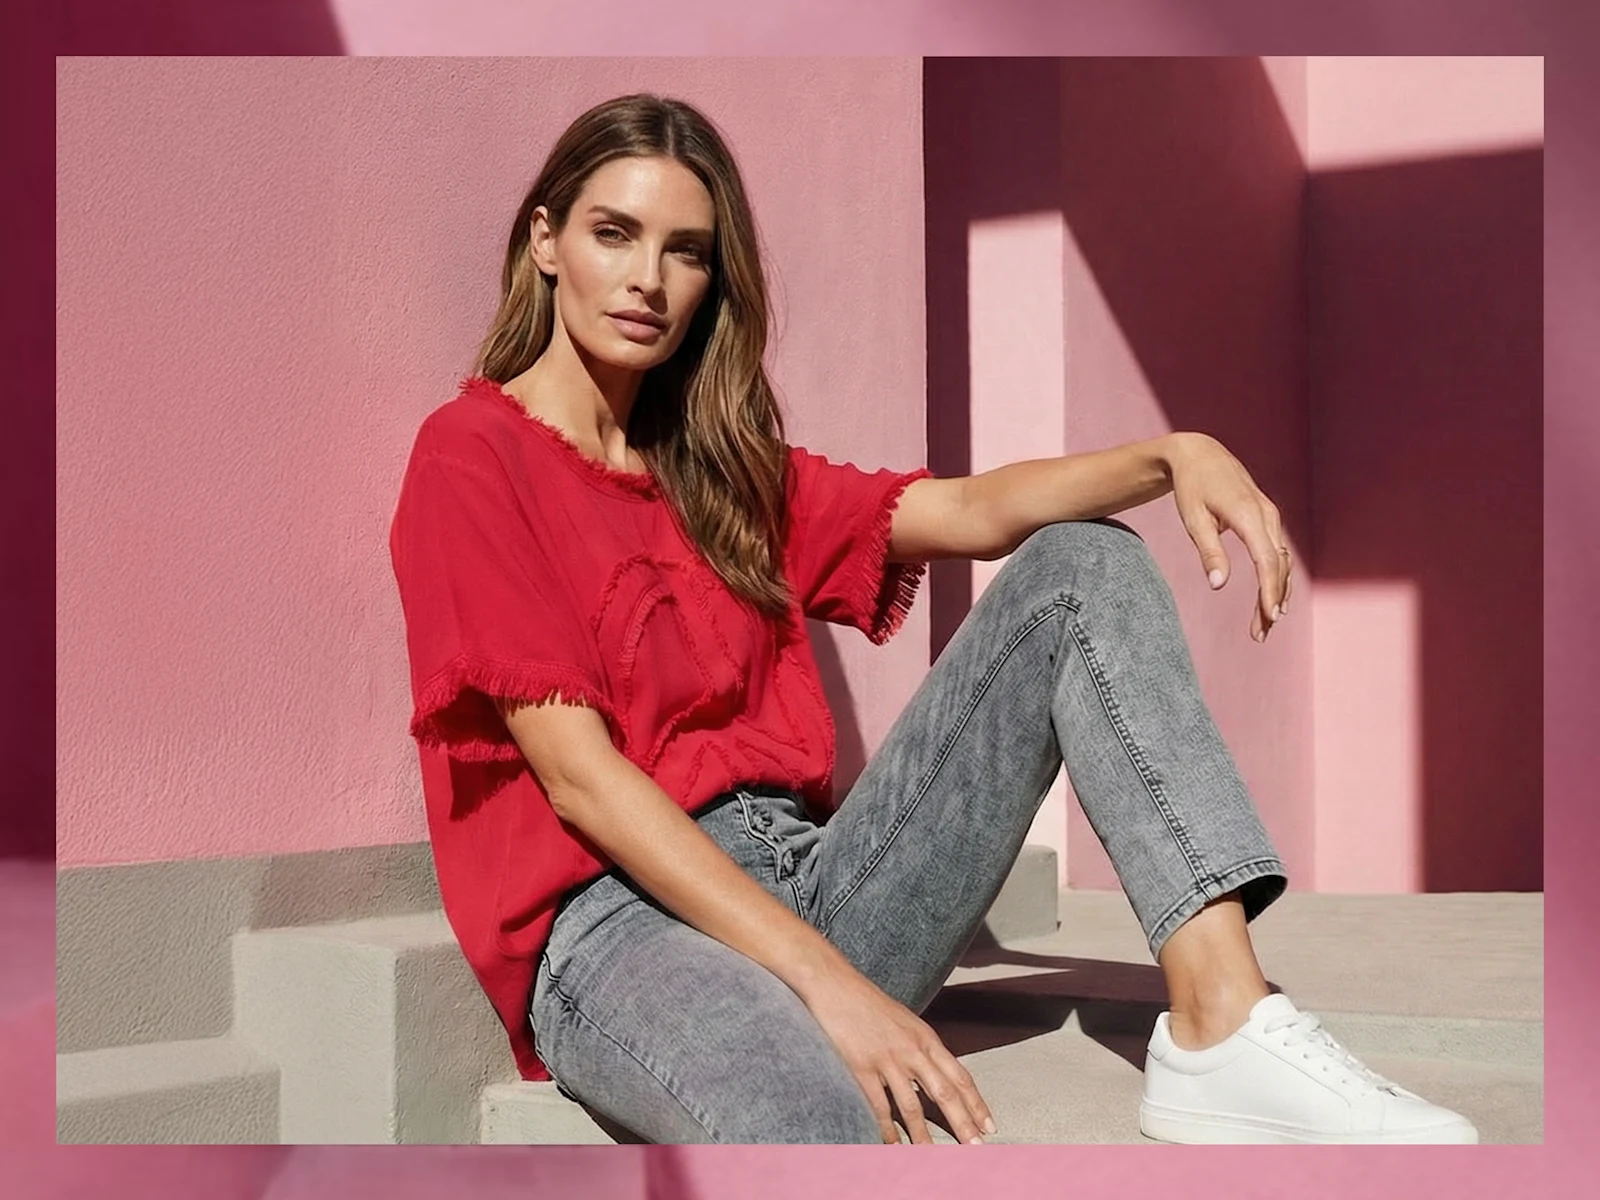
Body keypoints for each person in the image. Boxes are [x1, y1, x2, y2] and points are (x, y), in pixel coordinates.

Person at [389, 92, 1478, 1145]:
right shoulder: (472, 456)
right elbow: (581, 780)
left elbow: (963, 511)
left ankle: (1221, 1024)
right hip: (616, 919)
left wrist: (1170, 455)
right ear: (546, 240)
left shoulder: (717, 471)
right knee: (812, 1123)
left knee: (1081, 565)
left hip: (810, 878)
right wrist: (831, 987)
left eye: (686, 251)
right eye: (613, 234)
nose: (647, 280)